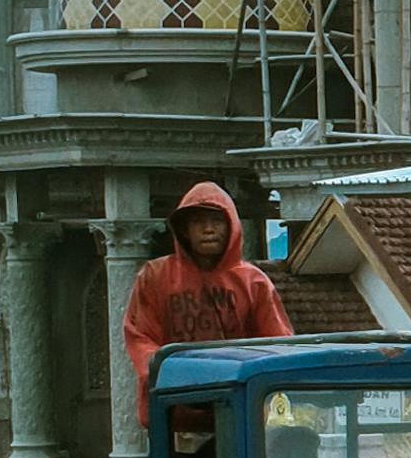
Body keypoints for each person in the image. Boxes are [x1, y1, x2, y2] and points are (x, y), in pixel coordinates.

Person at [121, 181, 292, 425]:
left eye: (216, 221)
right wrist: (180, 376)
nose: (208, 229)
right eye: (198, 222)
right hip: (174, 411)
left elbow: (277, 344)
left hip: (241, 409)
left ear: (231, 225)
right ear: (183, 230)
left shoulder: (254, 282)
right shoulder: (154, 277)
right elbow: (140, 339)